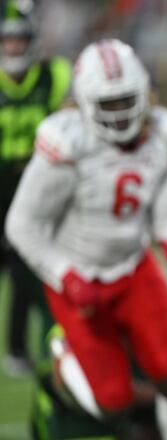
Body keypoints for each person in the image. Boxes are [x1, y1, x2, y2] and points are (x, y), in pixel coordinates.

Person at [4, 39, 167, 439]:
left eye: (126, 99)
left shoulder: (162, 131)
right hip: (80, 277)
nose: (120, 112)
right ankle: (63, 356)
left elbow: (164, 192)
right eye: (108, 103)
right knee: (113, 404)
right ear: (84, 101)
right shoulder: (66, 142)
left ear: (144, 92)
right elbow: (22, 225)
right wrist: (66, 275)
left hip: (134, 266)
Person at [0, 1, 71, 376]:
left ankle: (25, 348)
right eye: (7, 41)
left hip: (35, 187)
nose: (12, 48)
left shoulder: (52, 74)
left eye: (18, 40)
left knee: (28, 273)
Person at [31, 324, 167, 440]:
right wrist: (160, 393)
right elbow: (71, 383)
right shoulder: (72, 337)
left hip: (120, 409)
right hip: (77, 428)